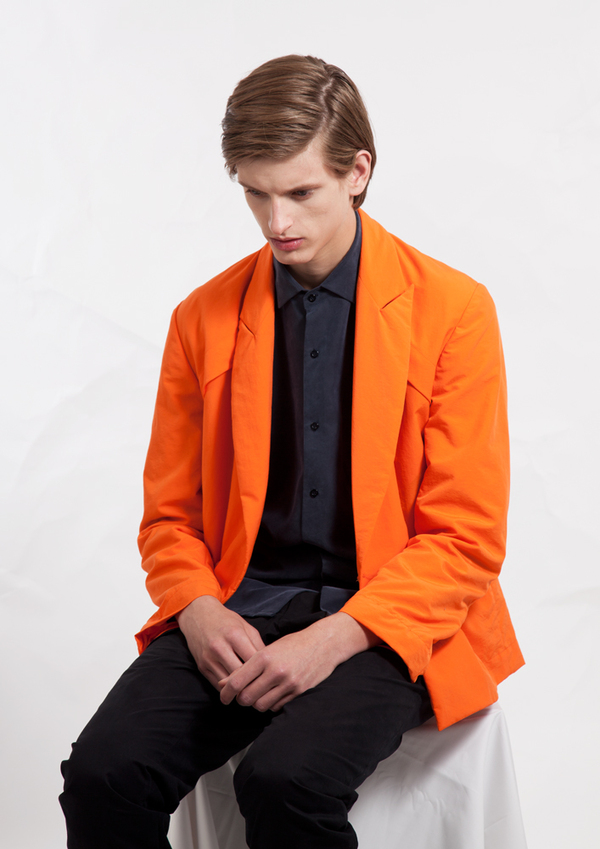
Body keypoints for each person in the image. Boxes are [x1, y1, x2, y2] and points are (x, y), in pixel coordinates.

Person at [59, 54, 524, 849]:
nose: (277, 222)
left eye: (301, 192)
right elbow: (169, 517)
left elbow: (466, 536)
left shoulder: (454, 311)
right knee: (104, 774)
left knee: (283, 780)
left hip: (391, 620)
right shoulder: (201, 318)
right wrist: (197, 608)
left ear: (357, 172)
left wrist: (336, 636)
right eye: (256, 193)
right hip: (237, 607)